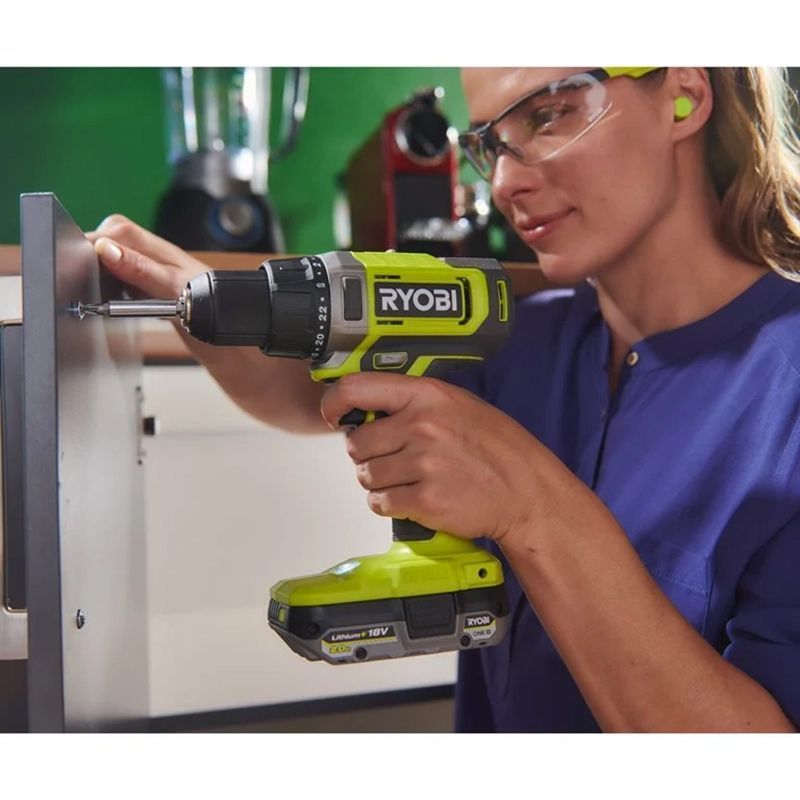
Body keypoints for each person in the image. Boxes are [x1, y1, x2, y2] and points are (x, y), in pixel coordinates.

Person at [88, 67, 800, 732]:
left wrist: (533, 505)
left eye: (550, 115)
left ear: (683, 95)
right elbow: (308, 392)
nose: (507, 184)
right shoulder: (526, 335)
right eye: (491, 145)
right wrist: (195, 296)